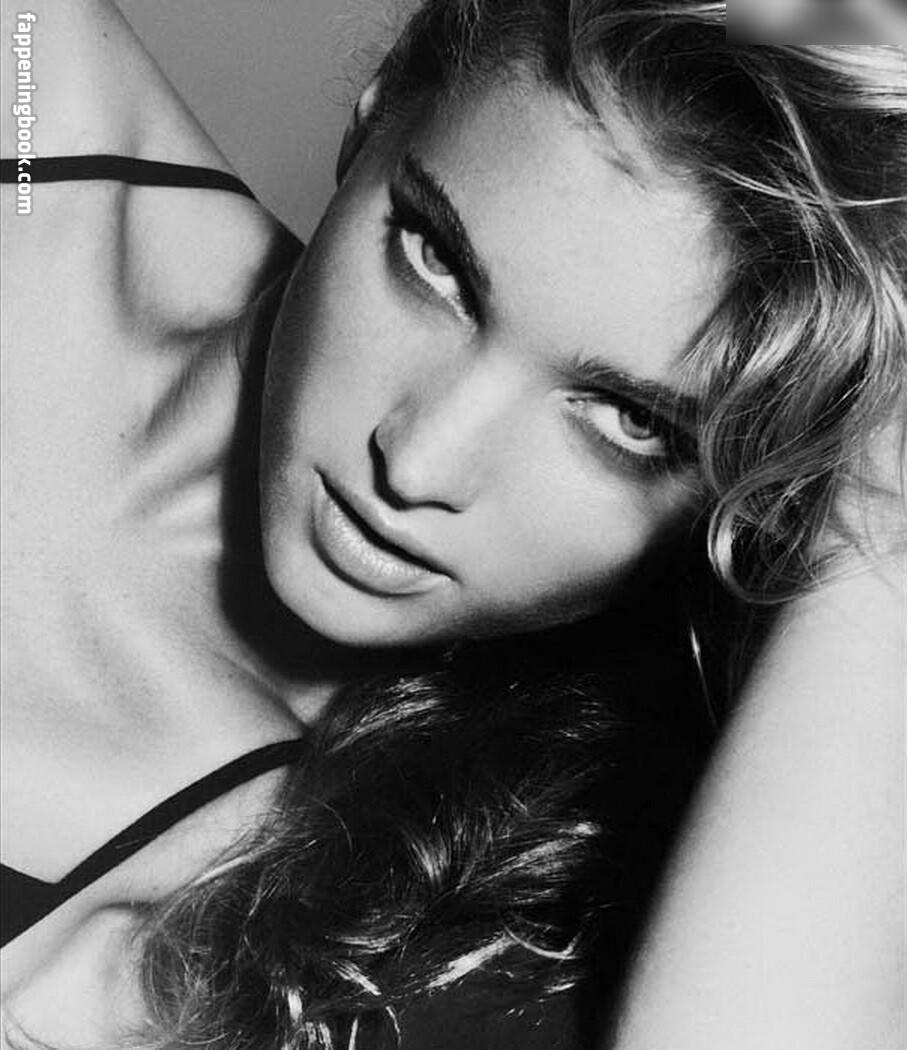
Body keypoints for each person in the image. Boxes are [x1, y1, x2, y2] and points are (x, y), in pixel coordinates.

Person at [1, 0, 904, 1046]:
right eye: (436, 262)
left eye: (628, 422)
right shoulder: (33, 98)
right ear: (378, 108)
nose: (416, 460)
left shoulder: (429, 902)